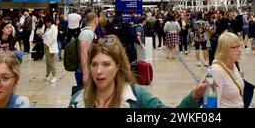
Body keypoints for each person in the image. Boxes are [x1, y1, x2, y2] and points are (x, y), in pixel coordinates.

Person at [69, 35, 207, 108]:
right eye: (94, 64)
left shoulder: (136, 97)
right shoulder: (79, 100)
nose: (99, 71)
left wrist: (194, 96)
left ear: (118, 66)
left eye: (106, 64)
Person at [209, 32, 244, 108]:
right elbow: (212, 103)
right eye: (235, 47)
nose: (240, 50)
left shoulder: (233, 65)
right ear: (225, 49)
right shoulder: (217, 70)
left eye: (240, 46)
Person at [76, 12, 99, 87]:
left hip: (88, 70)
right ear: (95, 20)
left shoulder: (90, 32)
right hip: (84, 71)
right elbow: (83, 53)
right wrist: (85, 73)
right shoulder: (87, 33)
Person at [43, 16, 58, 83]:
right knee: (47, 62)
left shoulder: (54, 28)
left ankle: (54, 76)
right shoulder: (48, 29)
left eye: (46, 23)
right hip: (46, 47)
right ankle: (47, 74)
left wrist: (48, 44)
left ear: (50, 22)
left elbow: (53, 38)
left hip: (51, 47)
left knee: (51, 62)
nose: (46, 24)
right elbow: (46, 36)